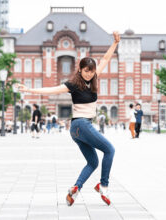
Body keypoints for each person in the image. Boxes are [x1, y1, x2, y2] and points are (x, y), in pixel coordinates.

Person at [17, 31, 119, 206]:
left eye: (91, 71)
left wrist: (115, 42)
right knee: (109, 150)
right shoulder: (73, 84)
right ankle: (104, 185)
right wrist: (29, 90)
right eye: (86, 71)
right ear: (80, 69)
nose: (89, 74)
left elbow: (106, 59)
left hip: (76, 129)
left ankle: (75, 189)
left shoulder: (94, 77)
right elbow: (52, 90)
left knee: (93, 162)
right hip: (82, 125)